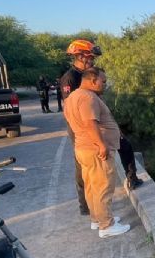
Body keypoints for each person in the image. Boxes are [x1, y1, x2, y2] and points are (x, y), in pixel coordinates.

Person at [59, 40, 143, 212]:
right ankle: (86, 206)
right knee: (84, 166)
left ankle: (132, 178)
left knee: (125, 145)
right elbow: (72, 108)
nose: (93, 61)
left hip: (99, 121)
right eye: (90, 57)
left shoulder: (90, 73)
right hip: (85, 126)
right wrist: (95, 139)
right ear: (79, 56)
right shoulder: (70, 78)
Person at [63, 68, 130, 238]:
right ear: (93, 80)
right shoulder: (87, 97)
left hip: (83, 148)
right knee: (103, 187)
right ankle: (106, 226)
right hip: (95, 150)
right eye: (103, 81)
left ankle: (97, 218)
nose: (105, 85)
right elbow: (90, 123)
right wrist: (101, 145)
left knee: (92, 186)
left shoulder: (72, 97)